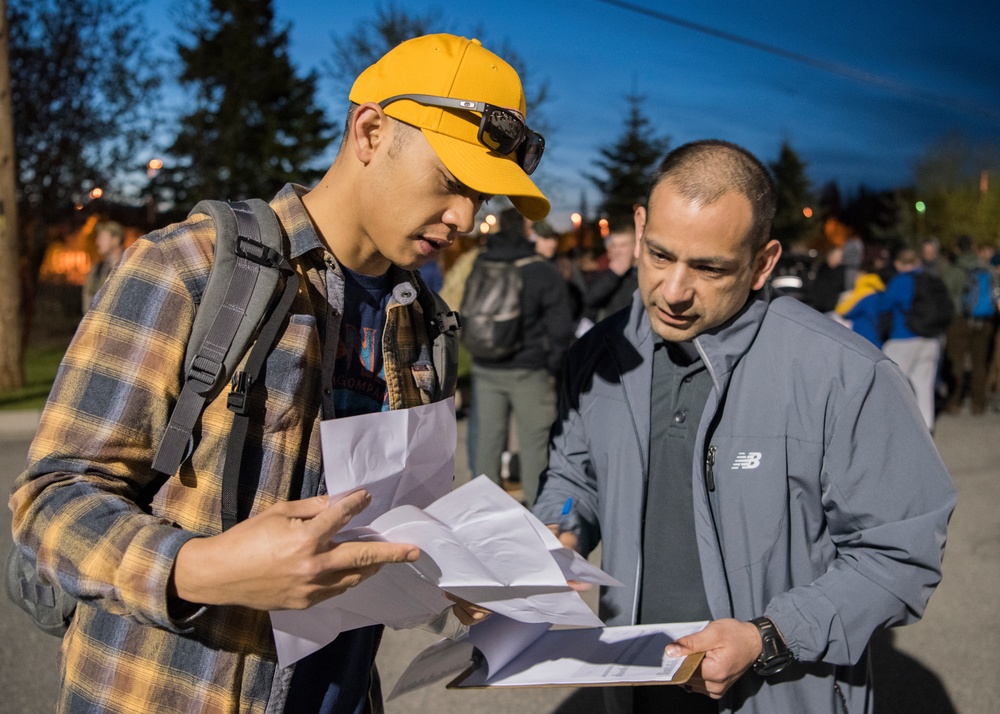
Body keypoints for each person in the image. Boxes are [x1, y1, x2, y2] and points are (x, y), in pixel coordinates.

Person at [10, 33, 548, 714]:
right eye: (451, 182)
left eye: (480, 197)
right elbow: (50, 501)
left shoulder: (427, 325)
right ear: (371, 130)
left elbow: (392, 519)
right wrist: (201, 568)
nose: (466, 218)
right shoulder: (191, 268)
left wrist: (458, 570)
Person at [533, 140, 955, 714]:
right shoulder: (598, 356)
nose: (675, 291)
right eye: (658, 256)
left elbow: (898, 556)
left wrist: (767, 637)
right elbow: (573, 476)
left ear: (763, 262)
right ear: (639, 227)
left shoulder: (847, 374)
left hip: (776, 692)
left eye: (709, 268)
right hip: (633, 690)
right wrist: (561, 529)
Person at [467, 207, 573, 506]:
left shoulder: (482, 262)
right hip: (530, 370)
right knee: (536, 447)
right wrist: (552, 366)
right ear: (527, 231)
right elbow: (561, 329)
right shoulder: (541, 270)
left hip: (486, 366)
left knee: (488, 444)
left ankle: (483, 513)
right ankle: (539, 519)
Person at [879, 247, 948, 431]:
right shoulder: (931, 280)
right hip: (931, 338)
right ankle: (927, 427)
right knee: (924, 386)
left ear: (898, 264)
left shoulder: (900, 281)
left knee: (890, 384)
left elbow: (884, 306)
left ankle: (893, 428)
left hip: (903, 338)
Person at [942, 234, 998, 415]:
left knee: (957, 362)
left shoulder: (954, 269)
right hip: (985, 321)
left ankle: (954, 403)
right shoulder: (987, 268)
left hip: (959, 320)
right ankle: (978, 404)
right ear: (973, 247)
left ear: (958, 249)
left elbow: (945, 294)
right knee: (980, 363)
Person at [584, 226, 639, 324]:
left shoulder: (643, 274)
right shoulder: (605, 273)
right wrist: (613, 275)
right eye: (613, 245)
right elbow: (589, 300)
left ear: (635, 246)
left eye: (623, 245)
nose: (617, 250)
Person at [81, 220, 126, 312]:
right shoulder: (97, 269)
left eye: (102, 238)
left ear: (115, 240)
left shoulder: (132, 269)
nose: (97, 242)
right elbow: (87, 304)